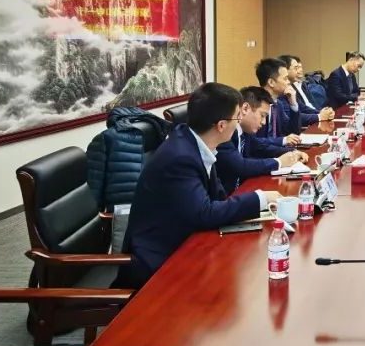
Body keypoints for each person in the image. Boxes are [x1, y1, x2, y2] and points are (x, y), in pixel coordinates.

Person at [118, 83, 282, 288]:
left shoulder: (194, 142)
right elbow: (204, 213)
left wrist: (257, 209)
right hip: (161, 259)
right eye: (237, 117)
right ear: (221, 125)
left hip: (189, 240)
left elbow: (218, 199)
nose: (239, 122)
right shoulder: (180, 157)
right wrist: (261, 198)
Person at [216, 87, 308, 194]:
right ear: (245, 108)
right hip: (227, 197)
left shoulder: (245, 132)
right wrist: (279, 162)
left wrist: (292, 152)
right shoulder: (225, 133)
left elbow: (262, 147)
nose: (264, 122)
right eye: (262, 115)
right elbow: (240, 166)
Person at [255, 58, 302, 145]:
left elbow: (293, 132)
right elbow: (255, 142)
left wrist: (293, 104)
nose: (289, 82)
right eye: (285, 79)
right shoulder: (256, 105)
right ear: (271, 82)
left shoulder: (278, 104)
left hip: (277, 150)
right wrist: (283, 141)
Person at [278, 54, 335, 123]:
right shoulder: (280, 93)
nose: (298, 71)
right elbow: (290, 117)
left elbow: (303, 108)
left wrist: (323, 113)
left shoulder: (291, 88)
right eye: (296, 68)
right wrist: (319, 116)